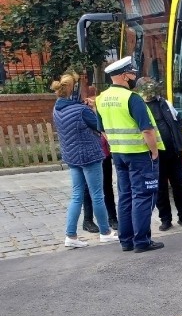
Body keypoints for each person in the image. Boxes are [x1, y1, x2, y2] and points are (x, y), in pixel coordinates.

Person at [95, 57, 165, 253]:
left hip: (119, 155)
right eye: (132, 73)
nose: (134, 76)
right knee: (143, 196)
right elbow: (147, 130)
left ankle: (126, 241)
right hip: (140, 155)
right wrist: (154, 151)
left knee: (126, 196)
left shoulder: (101, 99)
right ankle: (141, 241)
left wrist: (117, 145)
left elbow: (102, 130)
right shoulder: (132, 98)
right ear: (125, 75)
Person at [51, 73, 119, 248]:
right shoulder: (81, 110)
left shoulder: (57, 109)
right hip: (89, 156)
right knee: (98, 195)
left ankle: (71, 235)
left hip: (72, 157)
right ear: (73, 89)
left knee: (76, 196)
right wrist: (94, 108)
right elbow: (100, 125)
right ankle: (105, 232)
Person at [135, 77, 182, 231]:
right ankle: (165, 219)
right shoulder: (140, 107)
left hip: (175, 154)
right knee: (161, 189)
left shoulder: (165, 103)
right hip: (156, 156)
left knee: (180, 186)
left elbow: (177, 122)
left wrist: (181, 144)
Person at [81, 133, 118, 233]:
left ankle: (112, 218)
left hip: (104, 153)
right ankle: (88, 220)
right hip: (89, 156)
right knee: (88, 188)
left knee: (107, 187)